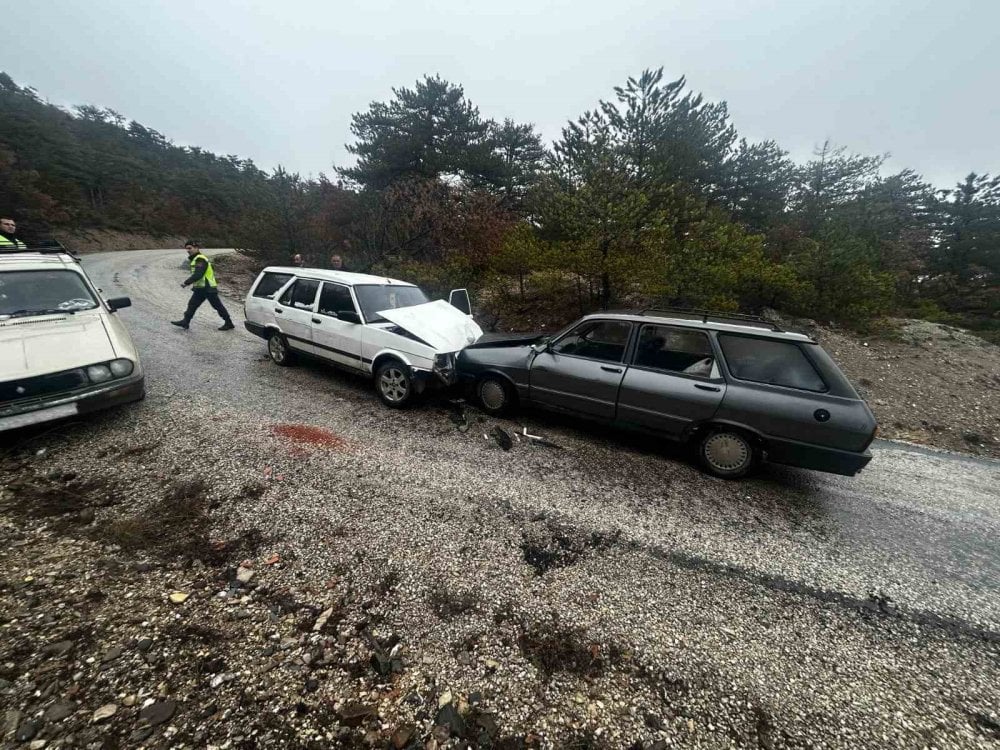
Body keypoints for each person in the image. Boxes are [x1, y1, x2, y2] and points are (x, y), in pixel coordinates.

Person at [171, 241, 235, 331]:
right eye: (186, 248)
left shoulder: (200, 259)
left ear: (196, 248)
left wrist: (186, 283)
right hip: (200, 288)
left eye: (190, 248)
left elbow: (198, 274)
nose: (188, 250)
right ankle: (185, 322)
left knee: (217, 306)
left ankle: (229, 323)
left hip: (208, 288)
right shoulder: (196, 259)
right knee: (192, 304)